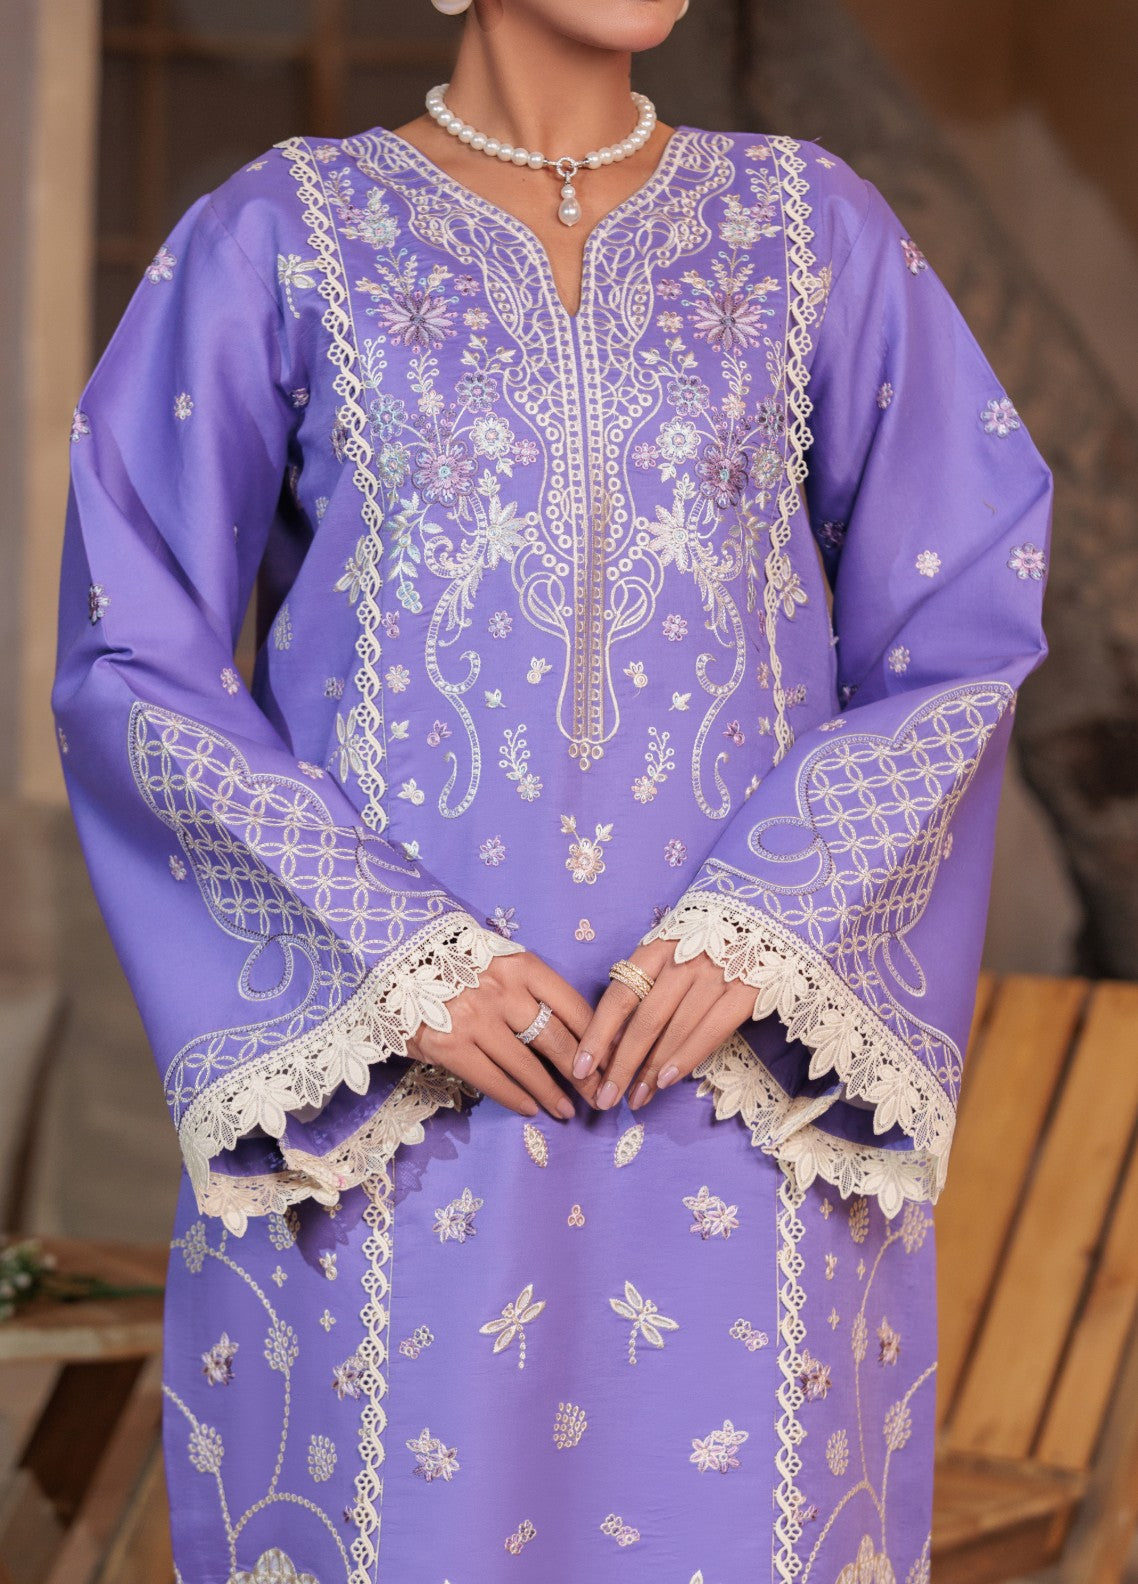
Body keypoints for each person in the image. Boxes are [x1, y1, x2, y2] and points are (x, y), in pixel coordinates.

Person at [52, 0, 1052, 1579]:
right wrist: (394, 958)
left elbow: (965, 624)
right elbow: (133, 654)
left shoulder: (811, 231)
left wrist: (772, 922)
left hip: (734, 1086)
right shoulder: (281, 237)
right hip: (399, 1103)